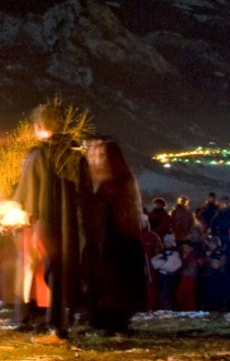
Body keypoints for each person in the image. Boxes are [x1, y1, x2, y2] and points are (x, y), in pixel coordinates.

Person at [11, 101, 91, 343]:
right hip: (73, 225)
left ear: (38, 126)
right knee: (65, 271)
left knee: (50, 271)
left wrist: (15, 211)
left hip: (47, 222)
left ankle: (55, 327)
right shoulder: (76, 153)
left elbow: (26, 195)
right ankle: (60, 323)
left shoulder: (39, 155)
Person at [83, 136, 146, 334]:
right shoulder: (94, 182)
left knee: (115, 285)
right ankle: (100, 319)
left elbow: (117, 219)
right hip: (99, 245)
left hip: (116, 246)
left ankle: (114, 321)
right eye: (92, 154)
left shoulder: (119, 182)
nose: (95, 159)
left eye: (100, 155)